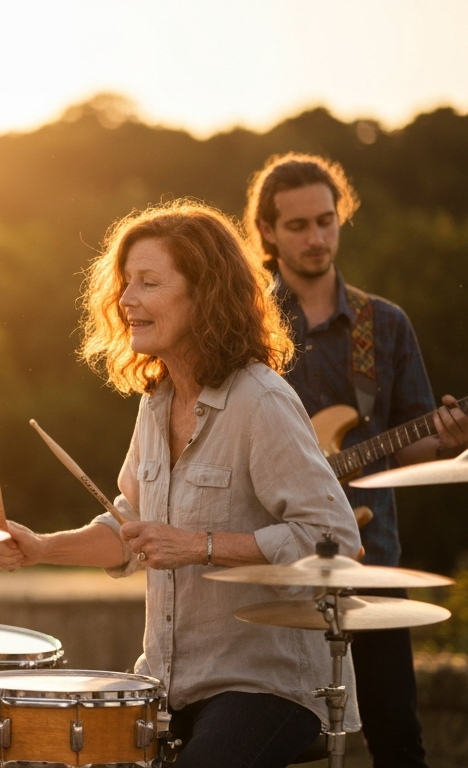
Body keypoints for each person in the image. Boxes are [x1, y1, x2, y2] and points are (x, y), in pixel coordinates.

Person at [0, 201, 362, 767]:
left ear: (203, 295)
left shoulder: (260, 401)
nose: (127, 299)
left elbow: (333, 539)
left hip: (268, 687)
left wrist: (200, 545)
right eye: (126, 282)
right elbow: (129, 528)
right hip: (168, 683)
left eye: (149, 283)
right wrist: (43, 548)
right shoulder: (157, 402)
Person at [245, 153, 468, 767]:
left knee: (398, 737)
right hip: (269, 557)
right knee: (261, 737)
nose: (316, 238)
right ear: (267, 230)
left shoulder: (384, 324)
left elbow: (409, 442)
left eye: (327, 220)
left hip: (372, 559)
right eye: (298, 226)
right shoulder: (246, 322)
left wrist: (447, 440)